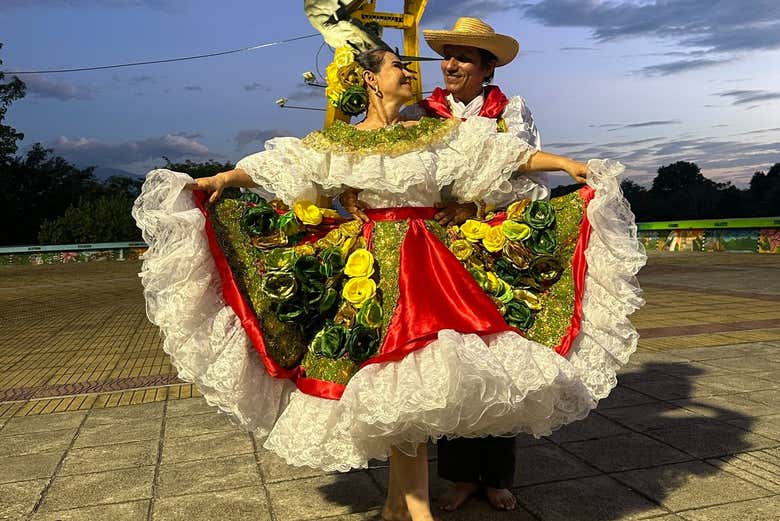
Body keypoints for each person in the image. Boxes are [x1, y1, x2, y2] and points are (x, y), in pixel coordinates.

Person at [133, 47, 645, 521]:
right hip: (375, 266)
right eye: (398, 65)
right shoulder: (339, 142)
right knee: (397, 381)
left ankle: (404, 506)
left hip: (433, 264)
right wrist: (221, 180)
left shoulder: (435, 133)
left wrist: (572, 166)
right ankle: (406, 505)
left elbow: (505, 156)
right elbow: (278, 167)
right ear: (370, 80)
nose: (410, 72)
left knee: (417, 378)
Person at [402, 16, 550, 512]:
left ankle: (497, 475)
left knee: (501, 353)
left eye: (463, 57)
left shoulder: (510, 111)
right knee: (452, 357)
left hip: (494, 242)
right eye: (448, 56)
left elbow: (523, 173)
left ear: (487, 66)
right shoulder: (424, 113)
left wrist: (478, 208)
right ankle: (461, 476)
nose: (450, 65)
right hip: (441, 248)